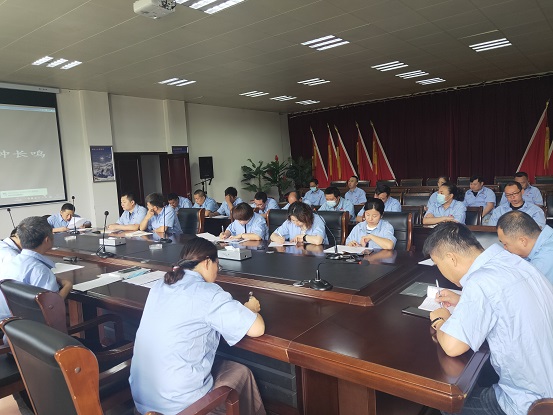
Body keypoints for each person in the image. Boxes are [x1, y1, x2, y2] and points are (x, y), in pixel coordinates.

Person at [423, 222, 553, 415]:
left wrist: (440, 320)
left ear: (451, 258)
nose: (439, 270)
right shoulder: (513, 261)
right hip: (547, 379)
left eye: (438, 264)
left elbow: (452, 346)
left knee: (446, 405)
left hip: (531, 402)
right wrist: (462, 300)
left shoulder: (480, 281)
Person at [130, 237, 266, 415]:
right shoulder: (208, 292)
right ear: (208, 262)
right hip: (180, 407)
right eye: (218, 265)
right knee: (241, 373)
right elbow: (257, 329)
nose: (218, 271)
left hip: (142, 402)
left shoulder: (160, 284)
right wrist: (251, 310)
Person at [0, 217, 73, 320]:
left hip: (8, 324)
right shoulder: (40, 270)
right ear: (47, 240)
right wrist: (67, 286)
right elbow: (51, 307)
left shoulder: (11, 262)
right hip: (30, 326)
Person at [497, 210, 553, 284]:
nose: (505, 248)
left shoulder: (544, 260)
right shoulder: (546, 239)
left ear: (523, 241)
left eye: (505, 244)